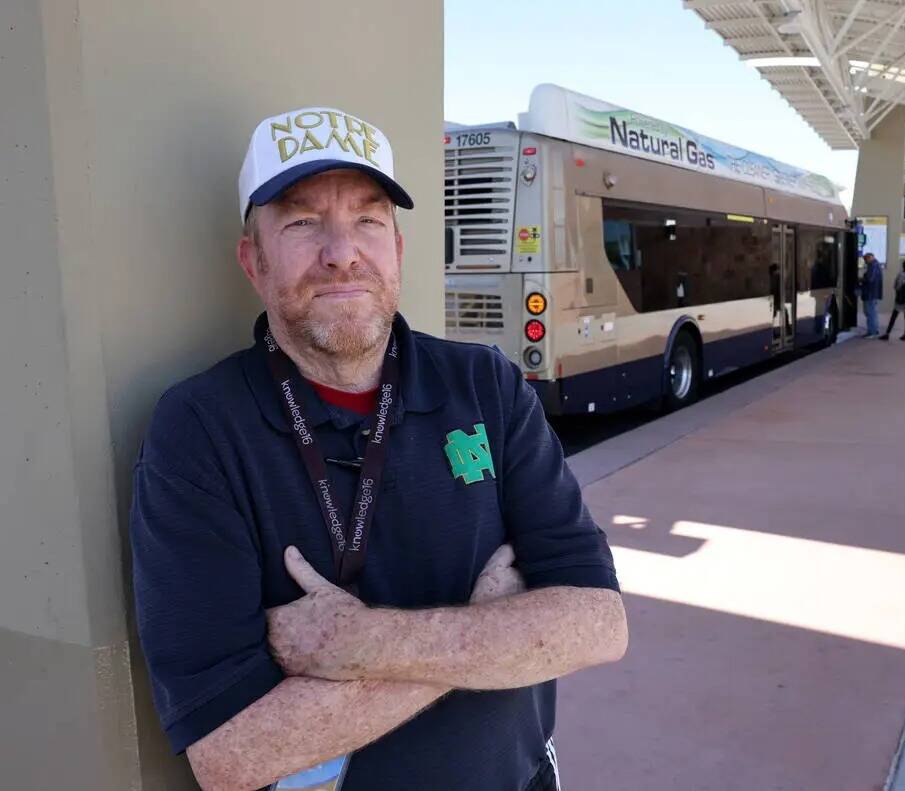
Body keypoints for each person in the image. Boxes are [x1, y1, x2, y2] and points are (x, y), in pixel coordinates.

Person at [129, 106, 628, 791]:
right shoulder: (199, 430)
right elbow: (228, 752)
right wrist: (485, 633)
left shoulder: (487, 386)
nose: (341, 251)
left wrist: (361, 644)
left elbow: (598, 621)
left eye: (366, 219)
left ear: (397, 246)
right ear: (254, 260)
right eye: (302, 222)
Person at [881, 259, 905, 341]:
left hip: (900, 299)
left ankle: (887, 334)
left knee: (894, 316)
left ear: (903, 266)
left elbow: (896, 287)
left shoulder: (900, 275)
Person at [860, 253, 884, 336]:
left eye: (866, 260)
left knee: (870, 313)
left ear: (870, 258)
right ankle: (874, 330)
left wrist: (862, 279)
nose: (865, 262)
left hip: (870, 293)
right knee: (872, 312)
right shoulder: (876, 265)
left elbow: (870, 279)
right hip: (873, 293)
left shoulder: (873, 265)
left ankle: (872, 332)